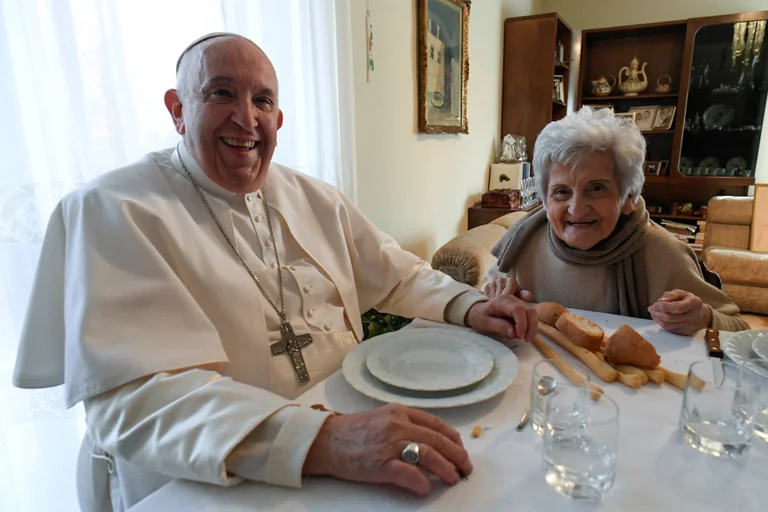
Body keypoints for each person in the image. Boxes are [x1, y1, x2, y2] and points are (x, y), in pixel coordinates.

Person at [12, 33, 537, 511]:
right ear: (176, 109)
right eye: (221, 94)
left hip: (349, 430)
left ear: (279, 119)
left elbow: (395, 271)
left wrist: (469, 304)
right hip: (211, 476)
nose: (247, 118)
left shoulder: (314, 196)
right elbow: (135, 399)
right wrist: (321, 439)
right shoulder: (113, 209)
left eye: (262, 100)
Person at [483, 107, 748, 335]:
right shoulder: (523, 241)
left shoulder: (661, 252)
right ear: (545, 199)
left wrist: (703, 318)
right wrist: (495, 299)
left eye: (596, 188)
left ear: (629, 197)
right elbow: (484, 302)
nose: (576, 209)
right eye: (561, 191)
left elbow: (737, 327)